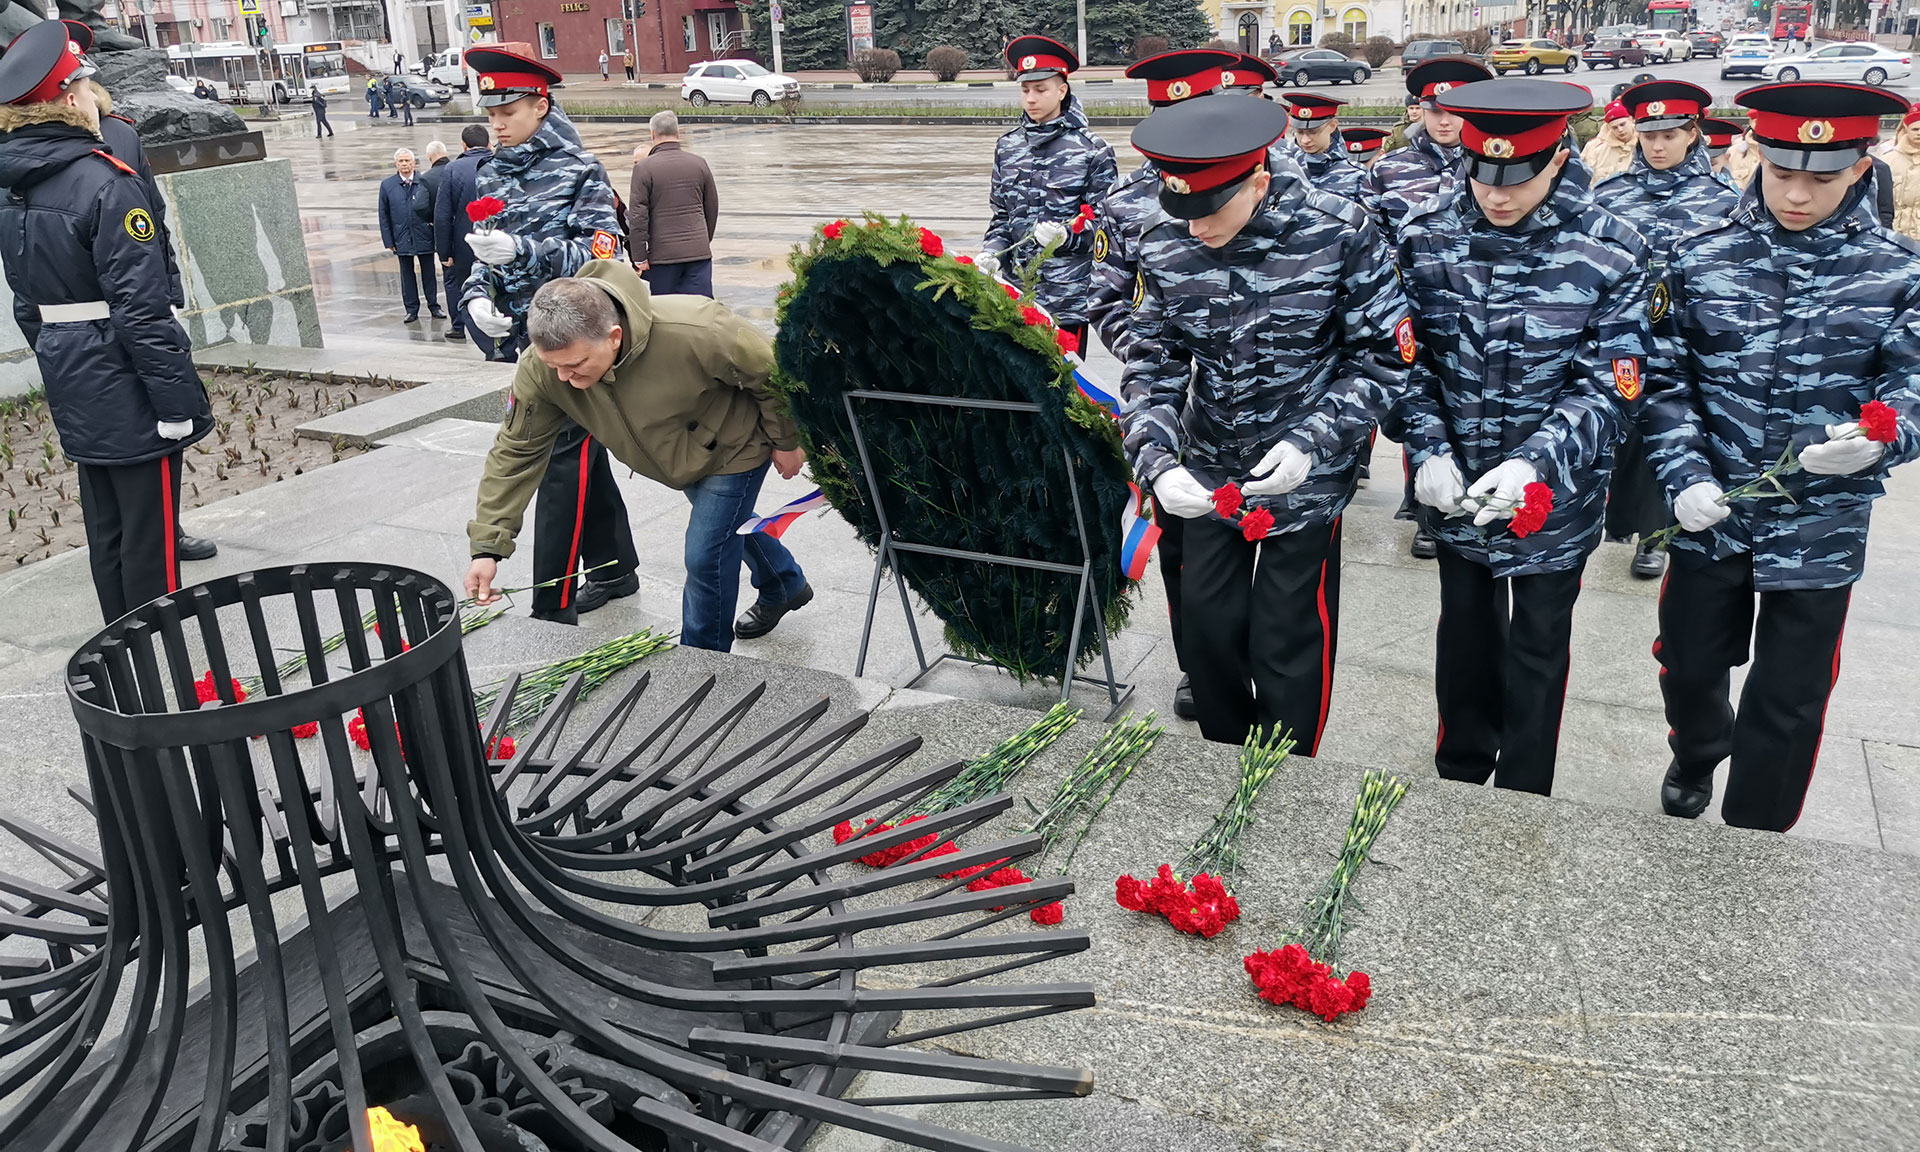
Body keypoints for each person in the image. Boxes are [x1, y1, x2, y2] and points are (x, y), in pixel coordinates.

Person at [1643, 80, 1919, 832]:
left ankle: (1757, 836)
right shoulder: (1698, 256)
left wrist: (1883, 437)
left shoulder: (1899, 272)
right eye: (1781, 172)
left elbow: (1912, 383)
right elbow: (1662, 377)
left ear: (1859, 168)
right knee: (1689, 662)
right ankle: (1699, 746)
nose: (1797, 194)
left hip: (1822, 518)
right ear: (1755, 155)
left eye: (1821, 179)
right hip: (1714, 506)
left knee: (1792, 693)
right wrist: (1683, 472)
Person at [1121, 93, 1412, 750]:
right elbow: (1152, 363)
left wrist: (1314, 441)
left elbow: (1383, 357)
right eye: (1183, 210)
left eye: (1210, 210)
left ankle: (1285, 773)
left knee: (1286, 638)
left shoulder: (1338, 232)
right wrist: (1156, 461)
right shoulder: (1165, 241)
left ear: (1257, 182)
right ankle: (1226, 759)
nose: (1196, 228)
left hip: (1306, 473)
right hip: (1211, 467)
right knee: (1207, 630)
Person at [1387, 78, 1651, 797]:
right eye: (1483, 175)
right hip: (1460, 484)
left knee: (1539, 646)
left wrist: (1537, 462)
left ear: (1559, 159)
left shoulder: (1612, 248)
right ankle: (1458, 773)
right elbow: (1405, 360)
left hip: (1554, 497)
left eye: (1518, 179)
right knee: (1465, 637)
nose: (1497, 196)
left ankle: (1526, 791)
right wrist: (1427, 446)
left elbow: (1614, 384)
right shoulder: (1427, 235)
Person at [464, 268, 814, 650]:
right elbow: (516, 450)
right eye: (554, 366)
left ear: (614, 337)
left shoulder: (698, 328)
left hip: (736, 446)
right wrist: (487, 547)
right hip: (680, 454)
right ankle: (784, 582)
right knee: (728, 526)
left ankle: (701, 662)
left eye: (576, 364)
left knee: (705, 555)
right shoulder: (543, 368)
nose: (563, 377)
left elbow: (771, 373)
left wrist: (787, 439)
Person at [0, 22, 212, 623]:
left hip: (73, 367)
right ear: (71, 99)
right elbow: (141, 307)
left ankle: (117, 646)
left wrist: (63, 352)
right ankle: (156, 649)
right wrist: (175, 402)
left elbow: (26, 303)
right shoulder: (105, 183)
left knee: (109, 527)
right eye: (86, 88)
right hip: (126, 374)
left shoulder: (14, 189)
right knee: (151, 534)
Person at [460, 44, 639, 624]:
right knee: (581, 457)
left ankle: (551, 607)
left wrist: (525, 249)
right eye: (490, 114)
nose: (496, 124)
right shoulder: (490, 172)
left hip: (575, 345)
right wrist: (477, 295)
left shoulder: (581, 170)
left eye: (507, 112)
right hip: (527, 341)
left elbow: (600, 258)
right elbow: (485, 255)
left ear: (540, 105)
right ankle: (614, 569)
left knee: (561, 465)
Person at [1091, 46, 1245, 721]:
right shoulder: (1127, 202)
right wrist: (1156, 357)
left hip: (1259, 400)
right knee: (1183, 544)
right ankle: (1197, 665)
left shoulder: (1263, 180)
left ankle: (1260, 660)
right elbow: (1106, 299)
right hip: (1170, 407)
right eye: (1165, 115)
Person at [1593, 80, 1740, 582]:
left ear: (1692, 132)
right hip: (1621, 337)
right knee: (1618, 436)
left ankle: (1655, 537)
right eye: (1649, 135)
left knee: (1672, 435)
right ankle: (1612, 519)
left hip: (1685, 344)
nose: (1657, 146)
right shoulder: (1610, 194)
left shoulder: (1723, 200)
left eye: (1670, 135)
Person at [983, 34, 1116, 350]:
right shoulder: (1008, 147)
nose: (1031, 99)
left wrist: (1067, 238)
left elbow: (1108, 229)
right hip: (1015, 297)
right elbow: (1001, 217)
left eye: (1041, 89)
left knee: (1063, 380)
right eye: (1025, 90)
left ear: (1062, 91)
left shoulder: (1092, 151)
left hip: (1065, 302)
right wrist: (992, 252)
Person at [628, 110, 718, 298]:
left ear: (653, 134)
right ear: (678, 133)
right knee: (700, 308)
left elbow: (638, 216)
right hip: (698, 254)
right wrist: (703, 239)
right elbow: (711, 207)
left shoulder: (643, 169)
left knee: (666, 310)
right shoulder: (699, 163)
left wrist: (639, 256)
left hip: (663, 257)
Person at [436, 123, 494, 350]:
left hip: (465, 245)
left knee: (468, 291)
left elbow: (442, 215)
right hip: (501, 240)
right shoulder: (500, 163)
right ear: (489, 144)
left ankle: (485, 343)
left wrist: (444, 252)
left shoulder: (453, 169)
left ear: (464, 145)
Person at [378, 148, 443, 324]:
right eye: (401, 161)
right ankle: (411, 309)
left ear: (414, 163)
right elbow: (383, 214)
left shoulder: (424, 181)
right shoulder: (387, 185)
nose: (404, 164)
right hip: (401, 236)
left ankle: (434, 305)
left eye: (407, 160)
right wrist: (388, 240)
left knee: (429, 272)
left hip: (424, 233)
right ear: (396, 164)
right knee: (406, 274)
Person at [1281, 92, 1365, 203]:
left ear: (1332, 126)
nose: (1305, 140)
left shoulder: (1355, 175)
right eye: (1299, 132)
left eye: (1313, 132)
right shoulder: (1283, 166)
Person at [1874, 103, 1920, 240]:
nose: (1919, 133)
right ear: (1906, 129)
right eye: (1915, 129)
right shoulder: (1888, 159)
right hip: (1894, 233)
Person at [1581, 100, 1636, 183]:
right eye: (1615, 127)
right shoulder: (1597, 147)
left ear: (1631, 120)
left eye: (1622, 124)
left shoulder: (1643, 146)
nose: (1620, 130)